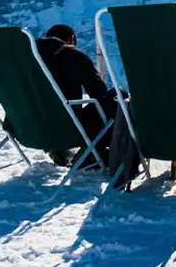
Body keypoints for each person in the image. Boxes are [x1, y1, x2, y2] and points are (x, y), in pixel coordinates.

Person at [34, 23, 117, 168]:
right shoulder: (73, 56)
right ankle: (91, 153)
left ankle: (58, 151)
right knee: (116, 97)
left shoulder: (28, 59)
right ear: (71, 40)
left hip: (31, 126)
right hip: (67, 127)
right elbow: (99, 94)